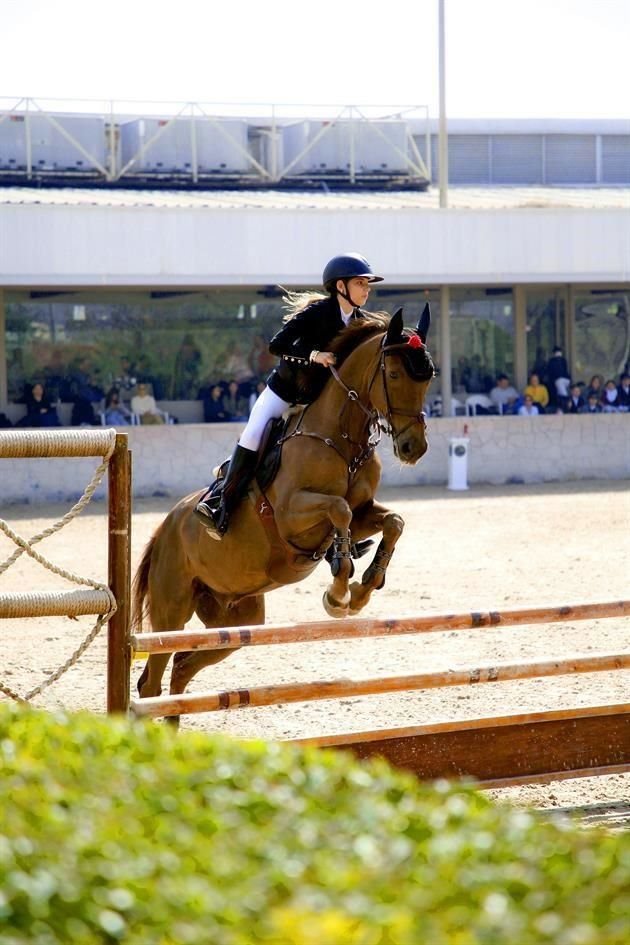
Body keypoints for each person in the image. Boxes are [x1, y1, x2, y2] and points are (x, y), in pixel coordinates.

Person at [194, 251, 384, 538]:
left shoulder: (361, 322)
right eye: (361, 283)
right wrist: (313, 355)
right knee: (253, 434)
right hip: (285, 392)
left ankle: (347, 527)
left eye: (368, 285)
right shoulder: (318, 312)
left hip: (319, 401)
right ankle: (220, 502)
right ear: (340, 286)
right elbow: (276, 345)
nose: (366, 290)